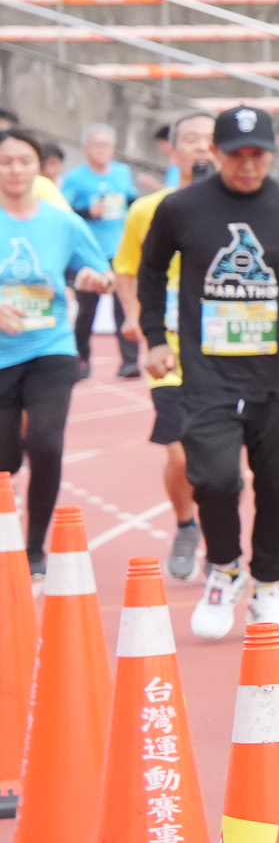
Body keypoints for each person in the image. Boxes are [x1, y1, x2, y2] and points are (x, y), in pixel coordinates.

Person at [136, 105, 279, 638]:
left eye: (259, 154)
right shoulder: (180, 208)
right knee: (213, 477)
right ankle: (225, 568)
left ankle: (267, 586)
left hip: (275, 373)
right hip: (206, 372)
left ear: (273, 153)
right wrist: (155, 339)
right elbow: (151, 272)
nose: (248, 165)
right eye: (237, 155)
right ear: (215, 152)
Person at [116, 113, 212, 579]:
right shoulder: (148, 209)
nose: (202, 147)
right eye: (191, 139)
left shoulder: (242, 208)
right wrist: (135, 317)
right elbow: (126, 270)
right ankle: (186, 524)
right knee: (180, 453)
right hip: (168, 350)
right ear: (171, 150)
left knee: (222, 460)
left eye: (210, 139)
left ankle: (222, 540)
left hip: (224, 352)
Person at [0, 131, 109, 540]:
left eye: (24, 161)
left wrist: (95, 278)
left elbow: (98, 270)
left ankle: (35, 546)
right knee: (5, 459)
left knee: (46, 444)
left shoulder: (62, 222)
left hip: (51, 347)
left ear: (39, 167)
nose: (15, 169)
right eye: (5, 162)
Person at [59, 123, 136, 379]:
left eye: (106, 145)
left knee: (123, 307)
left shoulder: (122, 173)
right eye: (97, 145)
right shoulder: (75, 178)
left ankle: (130, 362)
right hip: (88, 254)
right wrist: (88, 212)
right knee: (86, 311)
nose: (102, 150)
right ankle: (82, 360)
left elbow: (132, 201)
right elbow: (62, 212)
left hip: (119, 250)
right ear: (85, 148)